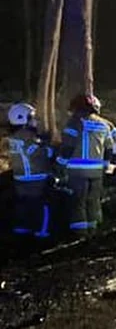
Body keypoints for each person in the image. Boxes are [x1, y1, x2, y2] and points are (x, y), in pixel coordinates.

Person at [56, 92, 116, 236]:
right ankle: (94, 231)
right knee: (94, 201)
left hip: (77, 171)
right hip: (97, 171)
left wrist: (59, 165)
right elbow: (109, 148)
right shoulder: (103, 124)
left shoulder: (75, 122)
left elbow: (68, 147)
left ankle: (80, 233)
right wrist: (105, 165)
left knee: (78, 203)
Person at [5, 102, 53, 242]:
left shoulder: (13, 137)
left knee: (23, 204)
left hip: (20, 178)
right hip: (35, 177)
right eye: (31, 117)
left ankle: (22, 229)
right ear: (22, 119)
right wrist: (48, 146)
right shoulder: (27, 136)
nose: (34, 121)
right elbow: (41, 153)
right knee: (43, 205)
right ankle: (42, 232)